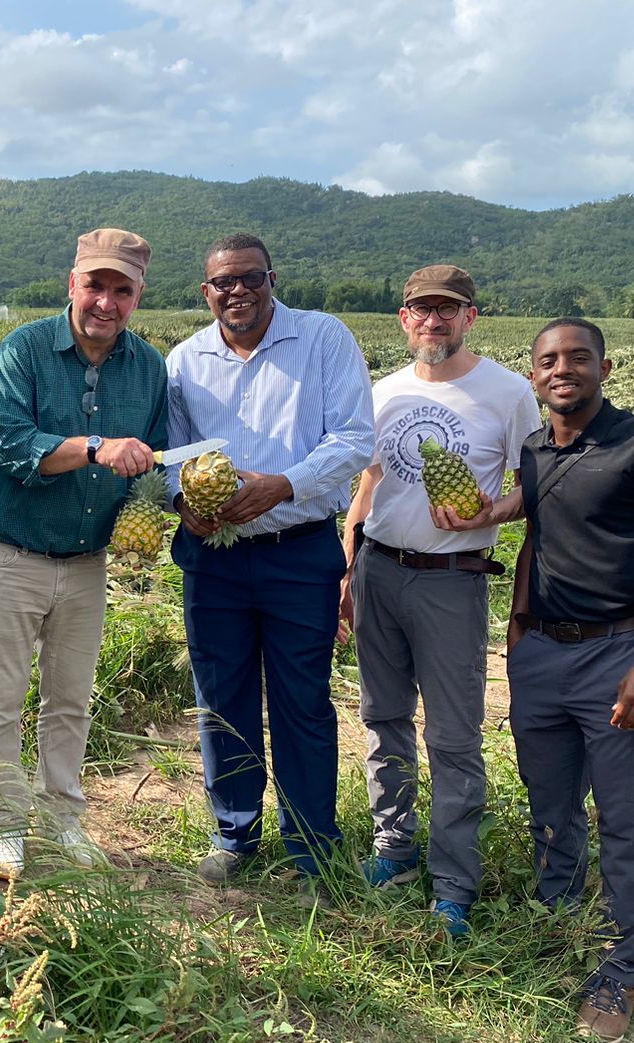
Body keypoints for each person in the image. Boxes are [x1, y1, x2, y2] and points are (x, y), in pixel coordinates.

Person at [508, 317, 634, 1042]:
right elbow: (536, 535)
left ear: (606, 367)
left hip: (622, 652)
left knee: (625, 823)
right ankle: (558, 928)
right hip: (543, 657)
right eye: (549, 360)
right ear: (533, 374)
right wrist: (517, 637)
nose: (563, 369)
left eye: (578, 357)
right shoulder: (534, 451)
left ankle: (621, 972)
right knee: (552, 808)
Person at [166, 233, 373, 903]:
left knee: (301, 702)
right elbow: (173, 454)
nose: (237, 291)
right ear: (206, 292)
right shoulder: (184, 361)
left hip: (298, 550)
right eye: (222, 282)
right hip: (216, 559)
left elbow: (353, 438)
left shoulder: (321, 339)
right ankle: (234, 834)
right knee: (221, 700)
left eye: (249, 278)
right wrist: (182, 503)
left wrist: (283, 484)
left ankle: (312, 847)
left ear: (271, 278)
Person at [341, 265, 541, 937]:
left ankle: (454, 880)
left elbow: (537, 486)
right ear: (404, 320)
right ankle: (393, 850)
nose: (434, 321)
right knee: (382, 717)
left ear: (470, 318)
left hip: (454, 578)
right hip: (379, 568)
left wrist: (495, 508)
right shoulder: (381, 393)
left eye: (448, 310)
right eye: (421, 310)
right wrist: (346, 571)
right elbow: (366, 490)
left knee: (454, 736)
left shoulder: (509, 393)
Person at [0, 228, 167, 880]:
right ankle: (3, 823)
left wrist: (155, 506)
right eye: (96, 285)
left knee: (70, 700)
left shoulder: (148, 368)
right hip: (11, 555)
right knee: (0, 699)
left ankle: (62, 817)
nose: (105, 302)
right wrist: (94, 446)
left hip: (87, 563)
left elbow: (155, 463)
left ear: (138, 296)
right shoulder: (26, 348)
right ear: (72, 284)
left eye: (122, 290)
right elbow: (10, 445)